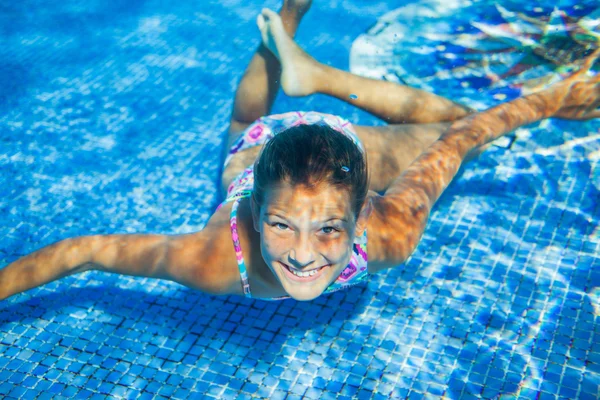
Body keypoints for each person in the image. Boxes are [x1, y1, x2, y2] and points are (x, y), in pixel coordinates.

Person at [1, 1, 599, 302]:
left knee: (457, 122)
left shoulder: (391, 232)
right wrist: (549, 101)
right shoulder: (212, 260)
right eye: (282, 226)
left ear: (365, 213)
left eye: (329, 231)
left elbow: (465, 140)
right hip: (260, 154)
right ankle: (296, 44)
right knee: (245, 126)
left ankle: (293, 43)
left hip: (340, 153)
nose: (305, 256)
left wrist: (552, 100)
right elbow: (80, 253)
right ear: (256, 215)